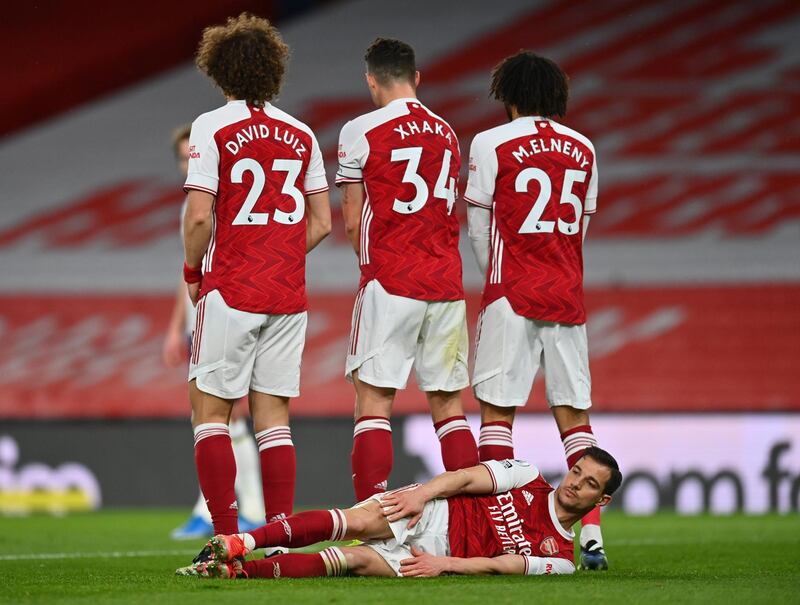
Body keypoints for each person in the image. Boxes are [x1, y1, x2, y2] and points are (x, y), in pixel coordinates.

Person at [182, 13, 331, 537]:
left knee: (211, 414)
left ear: (219, 70)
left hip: (233, 285)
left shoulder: (211, 126)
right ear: (273, 71)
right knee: (274, 420)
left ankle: (225, 537)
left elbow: (200, 215)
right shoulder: (301, 133)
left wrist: (192, 270)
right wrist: (282, 253)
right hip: (287, 293)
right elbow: (323, 222)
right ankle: (276, 538)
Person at [464, 51, 607, 569]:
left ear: (511, 96)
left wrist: (497, 276)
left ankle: (505, 534)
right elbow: (581, 226)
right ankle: (590, 537)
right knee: (575, 418)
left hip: (512, 292)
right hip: (566, 292)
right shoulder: (584, 147)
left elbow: (479, 225)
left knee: (498, 415)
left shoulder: (491, 142)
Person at [336, 38, 478, 502]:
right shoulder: (447, 133)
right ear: (417, 78)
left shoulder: (360, 130)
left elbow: (354, 219)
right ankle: (474, 522)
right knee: (449, 408)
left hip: (391, 279)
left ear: (371, 80)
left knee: (374, 404)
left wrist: (371, 268)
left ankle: (371, 523)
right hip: (445, 284)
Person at [176, 447, 622, 579]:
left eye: (588, 484)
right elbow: (466, 479)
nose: (574, 483)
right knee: (356, 520)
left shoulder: (562, 560)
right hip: (434, 514)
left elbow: (500, 565)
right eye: (577, 471)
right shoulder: (527, 475)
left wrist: (441, 564)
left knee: (353, 561)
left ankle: (234, 575)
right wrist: (422, 495)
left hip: (440, 556)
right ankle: (238, 543)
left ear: (600, 501)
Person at [163, 124, 265, 539]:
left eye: (194, 157)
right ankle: (249, 509)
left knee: (219, 416)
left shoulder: (224, 202)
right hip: (198, 320)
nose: (189, 164)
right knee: (219, 419)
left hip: (226, 315)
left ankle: (214, 511)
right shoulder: (187, 208)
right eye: (183, 159)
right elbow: (186, 271)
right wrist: (175, 328)